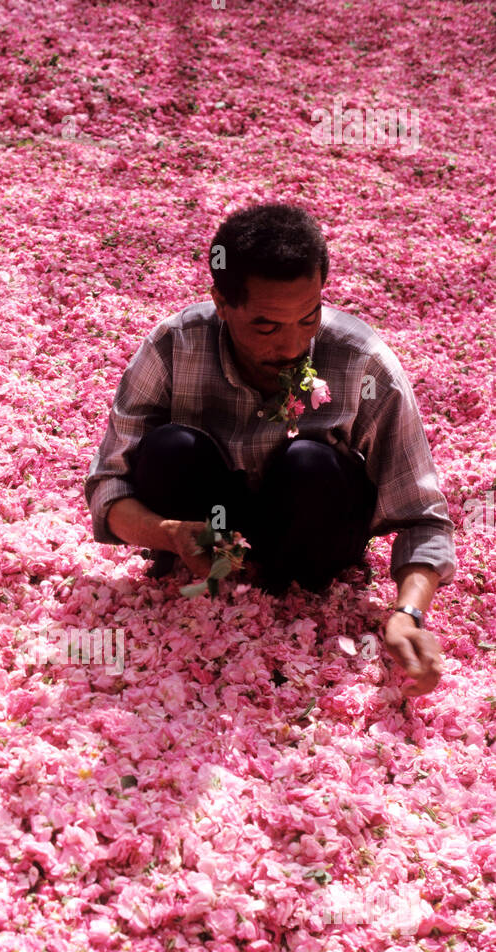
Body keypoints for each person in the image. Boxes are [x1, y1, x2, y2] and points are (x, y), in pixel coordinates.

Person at [84, 201, 455, 697]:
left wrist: (408, 613)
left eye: (308, 318)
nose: (293, 345)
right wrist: (169, 534)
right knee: (171, 447)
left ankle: (287, 584)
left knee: (310, 461)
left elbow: (422, 515)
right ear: (220, 302)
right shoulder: (174, 345)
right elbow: (110, 483)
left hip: (312, 536)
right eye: (266, 326)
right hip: (209, 532)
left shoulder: (362, 359)